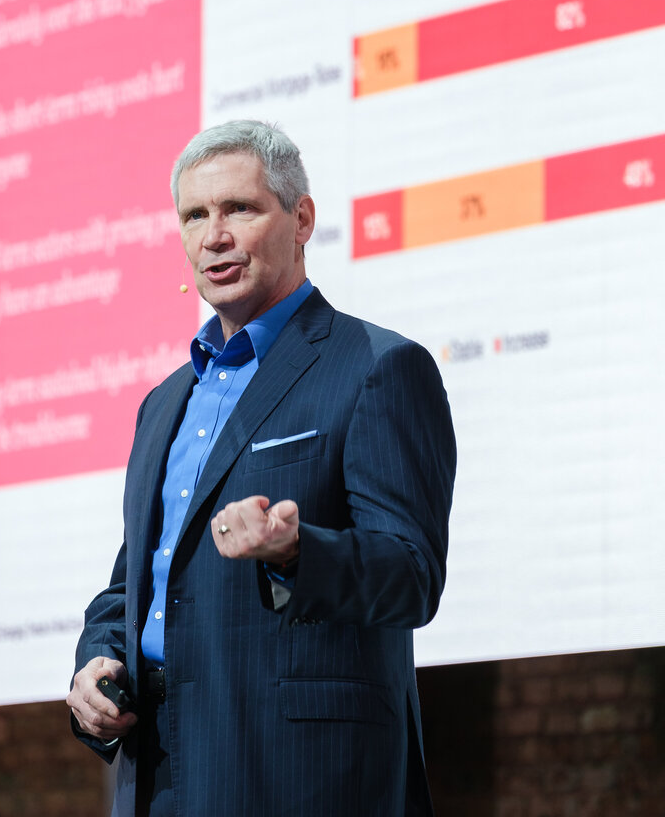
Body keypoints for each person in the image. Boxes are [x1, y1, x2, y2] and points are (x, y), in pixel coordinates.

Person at [67, 119, 456, 817]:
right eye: (194, 216)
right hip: (157, 772)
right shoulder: (164, 403)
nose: (213, 236)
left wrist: (296, 551)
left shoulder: (377, 368)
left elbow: (411, 575)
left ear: (301, 219)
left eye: (238, 209)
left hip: (298, 777)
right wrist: (95, 661)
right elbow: (136, 582)